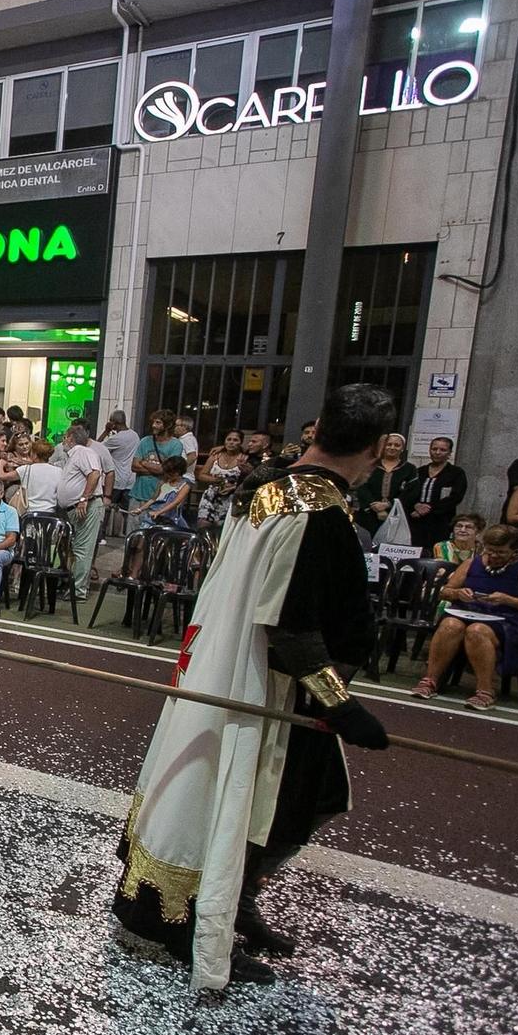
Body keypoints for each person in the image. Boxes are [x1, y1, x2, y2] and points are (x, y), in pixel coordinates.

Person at [114, 383, 398, 991]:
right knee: (268, 805)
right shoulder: (312, 511)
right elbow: (291, 624)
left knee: (299, 801)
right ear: (376, 450)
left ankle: (230, 902)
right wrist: (339, 704)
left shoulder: (271, 487)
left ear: (317, 429)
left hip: (239, 667)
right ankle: (203, 918)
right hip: (268, 687)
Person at [412, 524, 518, 711]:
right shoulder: (471, 563)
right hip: (468, 611)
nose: (493, 556)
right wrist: (458, 593)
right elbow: (446, 592)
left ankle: (485, 690)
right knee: (450, 625)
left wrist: (508, 600)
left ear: (514, 550)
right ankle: (430, 680)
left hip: (509, 620)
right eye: (489, 550)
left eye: (500, 552)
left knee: (477, 631)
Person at [56, 424, 107, 598]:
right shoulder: (73, 455)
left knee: (83, 549)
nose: (63, 440)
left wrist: (84, 499)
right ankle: (74, 586)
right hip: (74, 509)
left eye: (64, 436)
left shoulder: (83, 452)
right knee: (76, 548)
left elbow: (94, 474)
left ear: (71, 437)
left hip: (86, 506)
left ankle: (78, 590)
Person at [398, 436, 468, 553]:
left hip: (441, 522)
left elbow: (456, 497)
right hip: (416, 522)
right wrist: (415, 506)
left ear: (449, 453)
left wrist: (429, 509)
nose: (437, 452)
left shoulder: (456, 473)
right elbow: (407, 493)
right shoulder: (419, 471)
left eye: (442, 450)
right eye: (434, 449)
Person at [352, 433, 415, 535]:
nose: (392, 447)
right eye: (389, 444)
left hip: (396, 515)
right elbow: (362, 486)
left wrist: (388, 505)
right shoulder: (370, 465)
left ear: (402, 448)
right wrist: (375, 506)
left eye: (397, 445)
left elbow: (411, 491)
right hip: (368, 514)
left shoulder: (409, 469)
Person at [195, 429, 248, 538]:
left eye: (235, 440)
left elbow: (248, 480)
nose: (231, 442)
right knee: (203, 527)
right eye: (229, 439)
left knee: (223, 532)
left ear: (240, 442)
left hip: (231, 499)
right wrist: (216, 480)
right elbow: (201, 475)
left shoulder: (244, 458)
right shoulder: (215, 456)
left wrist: (234, 486)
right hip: (211, 496)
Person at [137, 456, 193, 530]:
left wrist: (159, 512)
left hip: (171, 518)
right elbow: (153, 499)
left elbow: (175, 502)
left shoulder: (185, 485)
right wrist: (140, 509)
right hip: (155, 515)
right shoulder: (163, 482)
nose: (167, 475)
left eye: (170, 473)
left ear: (178, 472)